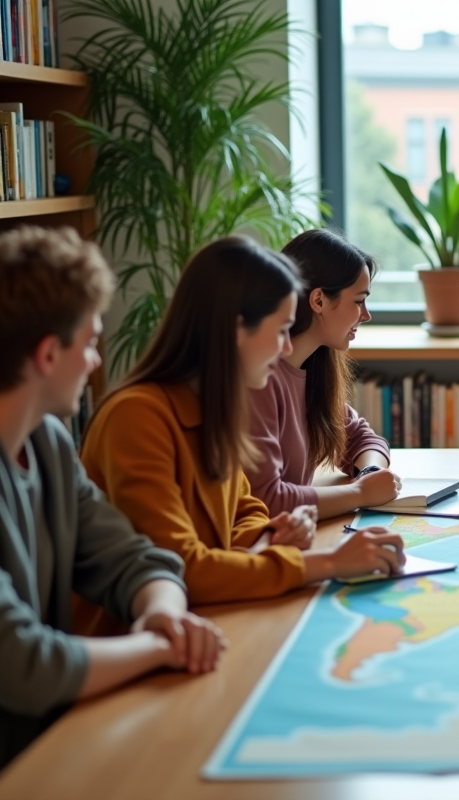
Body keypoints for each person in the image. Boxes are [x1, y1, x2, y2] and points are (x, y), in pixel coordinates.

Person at [0, 227, 226, 767]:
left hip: (49, 743)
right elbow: (26, 667)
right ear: (49, 354)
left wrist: (163, 613)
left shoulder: (48, 442)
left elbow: (133, 558)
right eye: (91, 342)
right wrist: (160, 647)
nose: (98, 361)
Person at [81, 237, 406, 607]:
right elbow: (180, 568)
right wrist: (328, 561)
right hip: (134, 637)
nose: (287, 348)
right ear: (237, 329)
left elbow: (245, 510)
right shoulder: (136, 417)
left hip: (203, 614)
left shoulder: (215, 407)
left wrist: (270, 534)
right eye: (281, 330)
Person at [247, 229, 399, 520]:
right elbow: (263, 500)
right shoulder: (259, 379)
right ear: (318, 301)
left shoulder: (311, 366)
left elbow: (359, 437)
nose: (365, 315)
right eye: (358, 301)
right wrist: (362, 493)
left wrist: (369, 473)